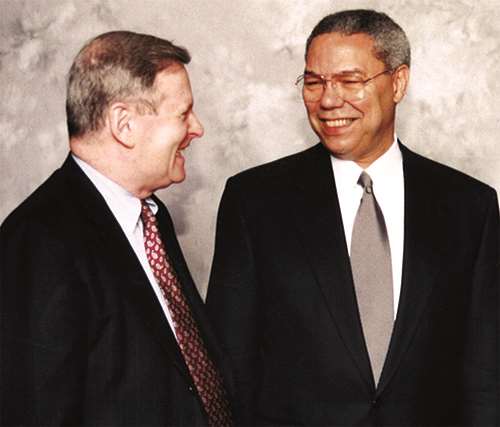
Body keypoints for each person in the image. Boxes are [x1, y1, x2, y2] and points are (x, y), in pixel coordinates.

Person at [206, 9, 498, 426]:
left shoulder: (469, 206)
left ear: (397, 82)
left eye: (350, 81)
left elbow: (485, 373)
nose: (328, 100)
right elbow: (230, 370)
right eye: (314, 82)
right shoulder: (254, 202)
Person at [0, 31, 232, 426]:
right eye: (183, 113)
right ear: (124, 125)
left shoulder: (152, 217)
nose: (197, 128)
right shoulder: (40, 242)